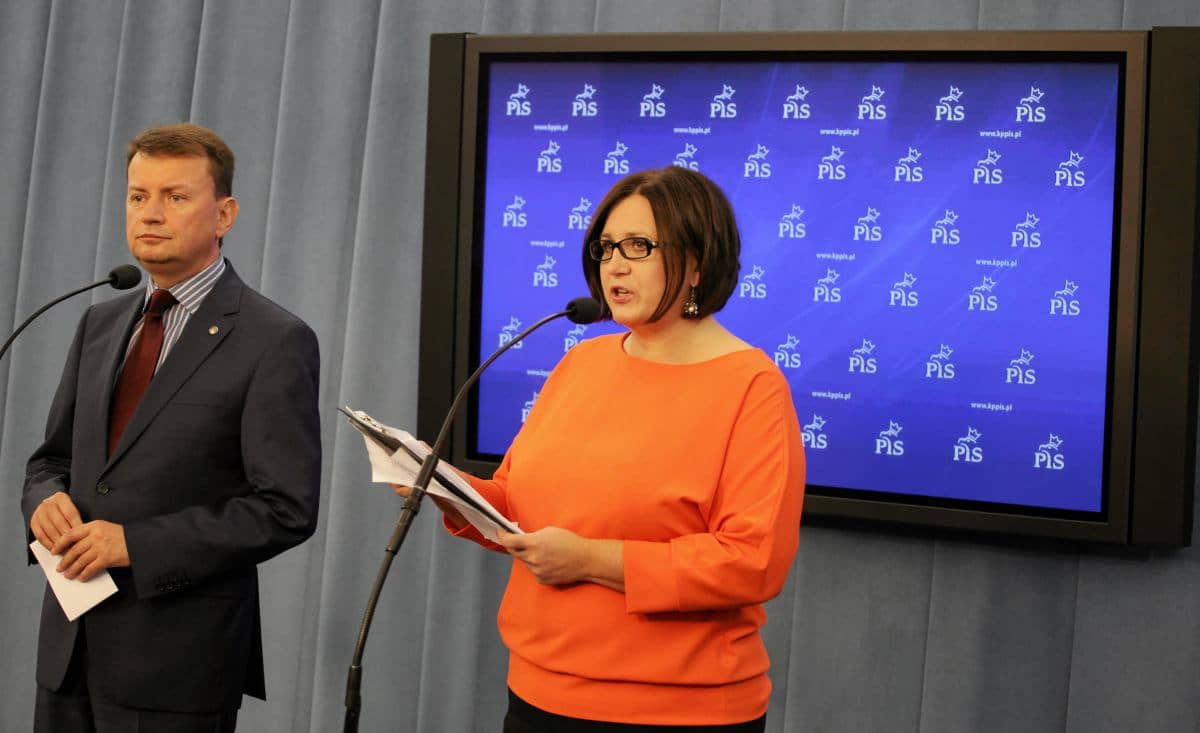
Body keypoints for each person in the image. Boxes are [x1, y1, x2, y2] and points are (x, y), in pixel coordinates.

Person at [398, 166, 805, 731]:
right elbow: (519, 500)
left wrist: (592, 560)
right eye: (606, 247)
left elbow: (751, 562)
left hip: (678, 712)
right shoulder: (581, 362)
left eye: (638, 246)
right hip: (538, 691)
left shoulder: (751, 386)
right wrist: (445, 485)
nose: (613, 264)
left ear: (697, 262)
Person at [22, 123, 321, 732]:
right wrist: (44, 501)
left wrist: (136, 543)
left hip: (176, 667)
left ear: (224, 213)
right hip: (68, 652)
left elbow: (286, 507)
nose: (150, 214)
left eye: (175, 197)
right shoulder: (100, 323)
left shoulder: (274, 340)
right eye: (138, 196)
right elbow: (49, 461)